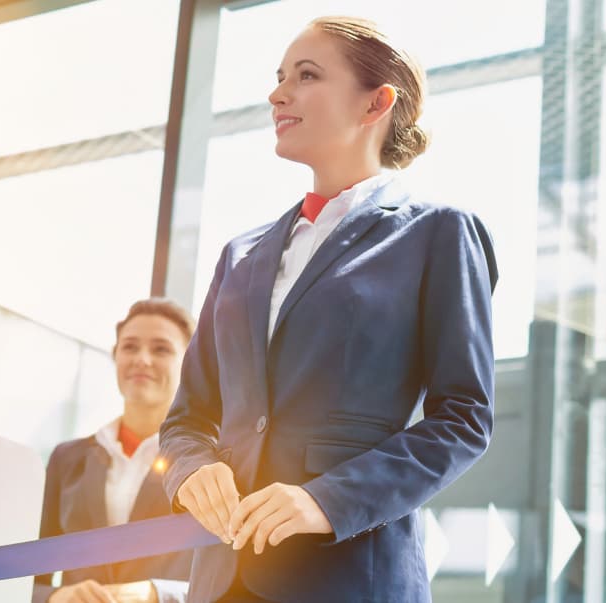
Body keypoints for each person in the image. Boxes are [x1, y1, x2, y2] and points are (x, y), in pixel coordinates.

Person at [158, 16, 499, 603]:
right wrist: (192, 470)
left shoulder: (439, 233)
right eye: (280, 77)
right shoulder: (240, 253)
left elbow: (464, 417)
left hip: (350, 576)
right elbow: (188, 418)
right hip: (220, 580)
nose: (277, 93)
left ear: (376, 104)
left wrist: (326, 499)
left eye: (306, 75)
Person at [35, 298, 197, 603]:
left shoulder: (207, 463)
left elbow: (232, 577)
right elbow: (26, 580)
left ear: (190, 364)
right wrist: (58, 596)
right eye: (130, 347)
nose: (142, 359)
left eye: (161, 349)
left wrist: (157, 594)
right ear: (115, 356)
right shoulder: (66, 459)